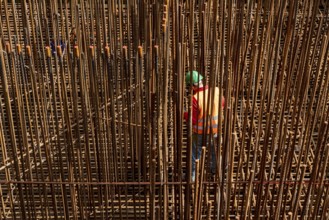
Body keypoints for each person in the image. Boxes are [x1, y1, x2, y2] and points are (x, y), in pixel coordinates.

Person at [184, 71, 225, 181]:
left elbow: (192, 119)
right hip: (216, 130)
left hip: (200, 133)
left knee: (194, 155)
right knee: (215, 152)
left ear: (192, 86)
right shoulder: (216, 91)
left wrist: (185, 114)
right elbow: (223, 105)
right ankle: (215, 171)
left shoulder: (195, 98)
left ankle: (192, 177)